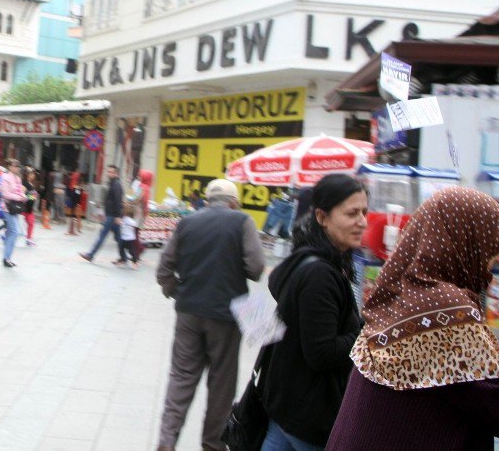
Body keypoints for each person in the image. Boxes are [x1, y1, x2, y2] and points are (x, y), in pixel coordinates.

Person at [328, 187, 499, 448]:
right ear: (465, 242)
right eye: (491, 246)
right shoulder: (446, 313)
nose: (495, 258)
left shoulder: (400, 290)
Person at [154, 178, 265, 451]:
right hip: (227, 315)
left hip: (188, 313)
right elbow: (256, 267)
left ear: (206, 200)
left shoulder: (187, 222)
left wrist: (177, 291)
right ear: (234, 201)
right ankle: (212, 444)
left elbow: (163, 270)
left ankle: (167, 442)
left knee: (181, 378)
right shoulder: (242, 221)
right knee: (221, 385)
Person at [260, 173, 366, 450]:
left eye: (364, 212)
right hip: (309, 418)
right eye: (352, 213)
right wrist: (366, 334)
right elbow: (321, 353)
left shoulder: (305, 259)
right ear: (322, 217)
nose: (362, 222)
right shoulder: (321, 274)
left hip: (283, 407)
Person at [80, 165, 124, 263]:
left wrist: (117, 216)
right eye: (108, 172)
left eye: (112, 172)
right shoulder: (113, 183)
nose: (109, 173)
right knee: (119, 238)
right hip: (111, 215)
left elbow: (118, 201)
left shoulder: (116, 184)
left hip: (113, 216)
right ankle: (125, 257)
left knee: (102, 236)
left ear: (116, 173)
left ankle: (90, 255)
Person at [0, 158, 27, 267]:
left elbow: (20, 191)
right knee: (15, 231)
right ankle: (6, 258)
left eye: (19, 166)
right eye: (15, 166)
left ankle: (7, 257)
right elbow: (5, 194)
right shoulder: (5, 178)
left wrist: (23, 196)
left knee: (12, 232)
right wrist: (19, 197)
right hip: (7, 208)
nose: (17, 168)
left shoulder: (17, 179)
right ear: (9, 167)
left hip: (15, 208)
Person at [118, 199, 143, 269]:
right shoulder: (128, 220)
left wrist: (121, 222)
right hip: (127, 238)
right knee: (127, 250)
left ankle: (134, 261)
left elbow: (124, 224)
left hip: (128, 238)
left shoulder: (128, 220)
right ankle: (132, 261)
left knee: (129, 250)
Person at [23, 167, 38, 246]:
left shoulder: (32, 184)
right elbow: (22, 195)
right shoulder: (24, 183)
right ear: (27, 174)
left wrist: (33, 196)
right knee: (17, 225)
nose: (33, 175)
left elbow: (32, 196)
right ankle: (6, 235)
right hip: (24, 208)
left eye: (33, 174)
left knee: (31, 223)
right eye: (31, 173)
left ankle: (29, 239)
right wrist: (32, 196)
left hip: (30, 208)